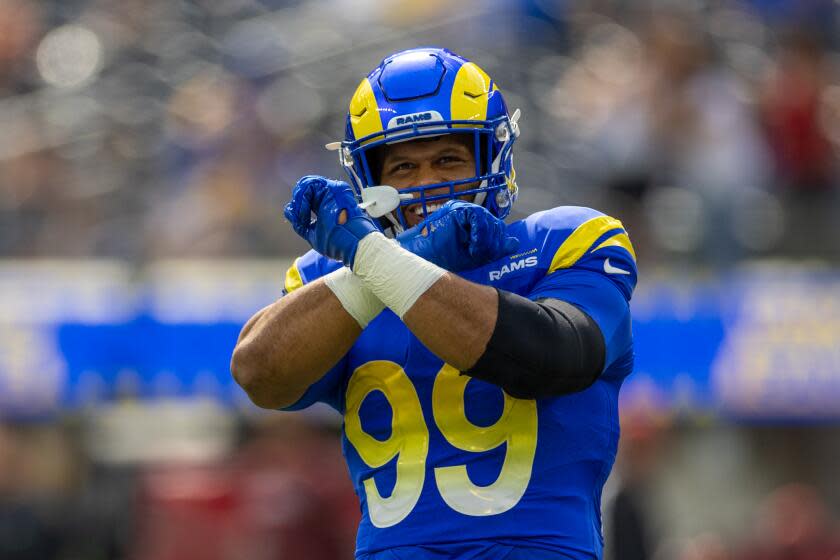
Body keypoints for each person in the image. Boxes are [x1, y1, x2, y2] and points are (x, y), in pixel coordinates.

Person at [231, 47, 637, 560]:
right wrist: (386, 262)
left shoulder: (563, 243)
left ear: (493, 157)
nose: (426, 185)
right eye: (403, 166)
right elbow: (259, 375)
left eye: (447, 159)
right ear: (370, 180)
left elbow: (552, 357)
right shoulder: (340, 276)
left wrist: (380, 262)